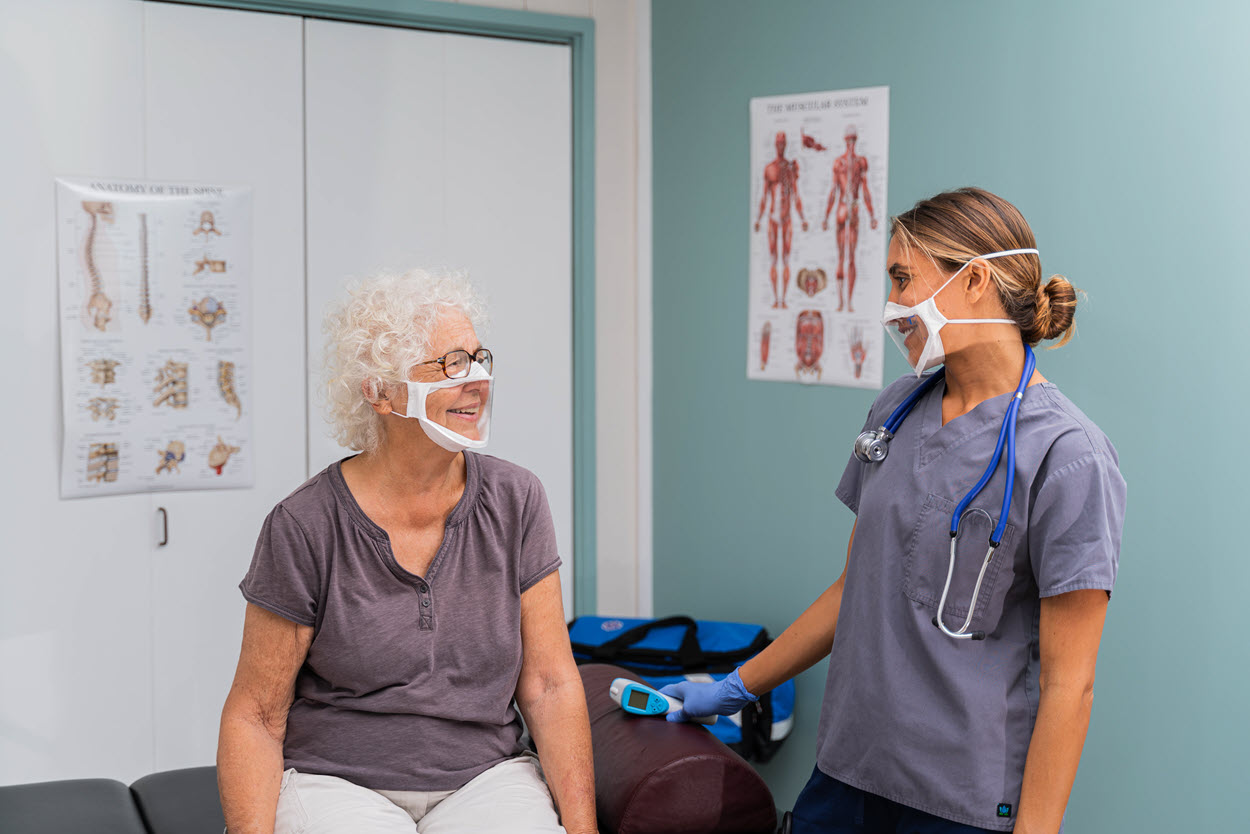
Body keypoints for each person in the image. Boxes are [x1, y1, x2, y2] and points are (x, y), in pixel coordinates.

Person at [664, 188, 1126, 834]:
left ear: (974, 281)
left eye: (904, 278)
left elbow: (1068, 685)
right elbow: (856, 589)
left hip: (959, 800)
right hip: (850, 772)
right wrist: (736, 685)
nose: (894, 303)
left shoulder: (1068, 456)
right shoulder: (896, 410)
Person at [217, 269, 596, 834]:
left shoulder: (517, 499)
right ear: (379, 391)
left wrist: (582, 829)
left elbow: (549, 683)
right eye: (448, 365)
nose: (477, 380)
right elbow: (256, 714)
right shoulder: (304, 524)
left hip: (485, 778)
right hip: (336, 783)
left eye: (477, 358)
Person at [821, 124, 878, 314]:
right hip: (844, 208)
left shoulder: (860, 163)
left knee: (851, 256)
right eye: (850, 140)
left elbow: (866, 190)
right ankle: (840, 301)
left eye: (853, 140)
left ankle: (849, 302)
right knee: (841, 256)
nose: (851, 143)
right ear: (846, 141)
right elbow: (833, 191)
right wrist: (826, 216)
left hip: (852, 207)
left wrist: (871, 215)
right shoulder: (839, 163)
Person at [755, 131, 809, 309]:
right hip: (772, 218)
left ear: (785, 145)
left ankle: (783, 299)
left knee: (785, 258)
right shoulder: (769, 169)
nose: (780, 146)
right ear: (774, 145)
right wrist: (759, 218)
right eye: (778, 143)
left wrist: (802, 218)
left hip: (786, 218)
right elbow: (764, 196)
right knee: (773, 258)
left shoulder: (789, 168)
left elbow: (796, 196)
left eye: (783, 143)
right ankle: (774, 298)